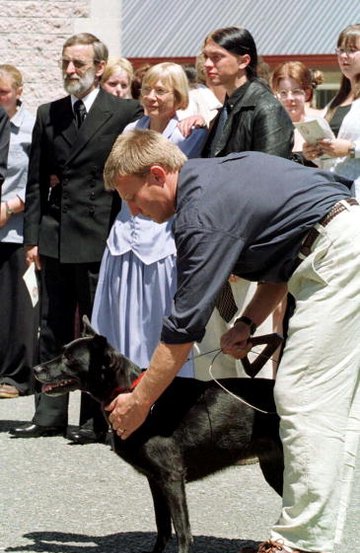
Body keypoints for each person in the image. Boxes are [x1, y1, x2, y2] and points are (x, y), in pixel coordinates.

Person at [102, 129, 360, 553]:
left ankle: (304, 545)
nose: (133, 211)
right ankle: (308, 537)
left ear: (158, 175)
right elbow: (286, 249)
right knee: (311, 399)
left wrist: (140, 400)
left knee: (304, 400)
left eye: (133, 198)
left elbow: (183, 326)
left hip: (337, 253)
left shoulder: (199, 214)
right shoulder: (210, 178)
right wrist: (246, 323)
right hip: (332, 243)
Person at [10, 33, 142, 441]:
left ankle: (95, 419)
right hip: (54, 234)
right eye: (65, 62)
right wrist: (32, 237)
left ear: (100, 68)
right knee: (50, 326)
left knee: (96, 333)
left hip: (100, 235)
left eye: (78, 64)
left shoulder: (124, 112)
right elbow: (35, 182)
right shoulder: (49, 114)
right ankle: (48, 413)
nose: (70, 70)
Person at [92, 62, 207, 373]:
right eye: (147, 89)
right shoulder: (131, 129)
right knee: (118, 319)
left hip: (161, 237)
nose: (151, 97)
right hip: (123, 237)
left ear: (179, 95)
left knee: (155, 316)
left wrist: (200, 118)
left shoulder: (190, 131)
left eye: (161, 90)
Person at [195, 26, 294, 379]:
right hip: (221, 252)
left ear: (243, 61)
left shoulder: (266, 108)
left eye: (216, 57)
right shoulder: (226, 109)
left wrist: (243, 249)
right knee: (216, 359)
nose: (207, 64)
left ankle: (261, 434)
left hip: (249, 255)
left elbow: (270, 187)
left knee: (250, 361)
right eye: (206, 57)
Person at [0, 64, 38, 399]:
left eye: (3, 93)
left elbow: (40, 179)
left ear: (19, 91)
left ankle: (16, 377)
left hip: (15, 227)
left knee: (18, 306)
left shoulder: (30, 128)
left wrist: (10, 207)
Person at [303, 23, 360, 199]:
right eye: (340, 50)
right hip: (337, 196)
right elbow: (333, 157)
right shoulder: (336, 102)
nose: (344, 56)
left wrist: (351, 149)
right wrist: (314, 153)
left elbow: (346, 150)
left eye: (352, 50)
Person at [271, 61, 324, 158]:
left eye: (296, 92)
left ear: (307, 93)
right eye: (283, 93)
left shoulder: (320, 122)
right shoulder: (270, 127)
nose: (289, 98)